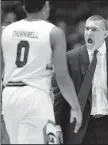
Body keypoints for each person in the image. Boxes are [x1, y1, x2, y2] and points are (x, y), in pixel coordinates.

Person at [1, 0, 82, 144]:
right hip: (36, 95)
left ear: (24, 7)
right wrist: (75, 106)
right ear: (46, 6)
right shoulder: (54, 32)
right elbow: (62, 76)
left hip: (9, 95)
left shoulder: (5, 30)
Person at [54, 15, 108, 144]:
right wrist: (57, 125)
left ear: (105, 34)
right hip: (80, 125)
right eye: (86, 28)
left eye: (94, 29)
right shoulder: (70, 57)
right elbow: (59, 94)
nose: (88, 33)